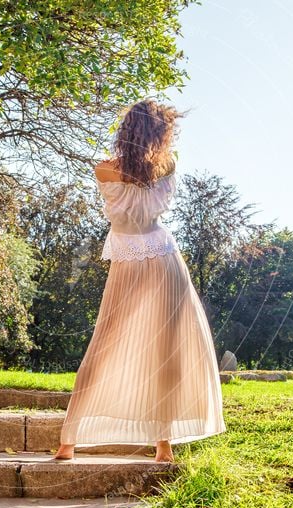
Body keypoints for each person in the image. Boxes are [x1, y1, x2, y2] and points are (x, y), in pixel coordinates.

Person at [53, 98, 227, 463]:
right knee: (155, 349)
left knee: (111, 344)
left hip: (142, 260)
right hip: (160, 258)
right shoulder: (165, 165)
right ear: (159, 134)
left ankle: (72, 443)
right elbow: (146, 185)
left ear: (126, 131)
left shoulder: (104, 170)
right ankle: (157, 446)